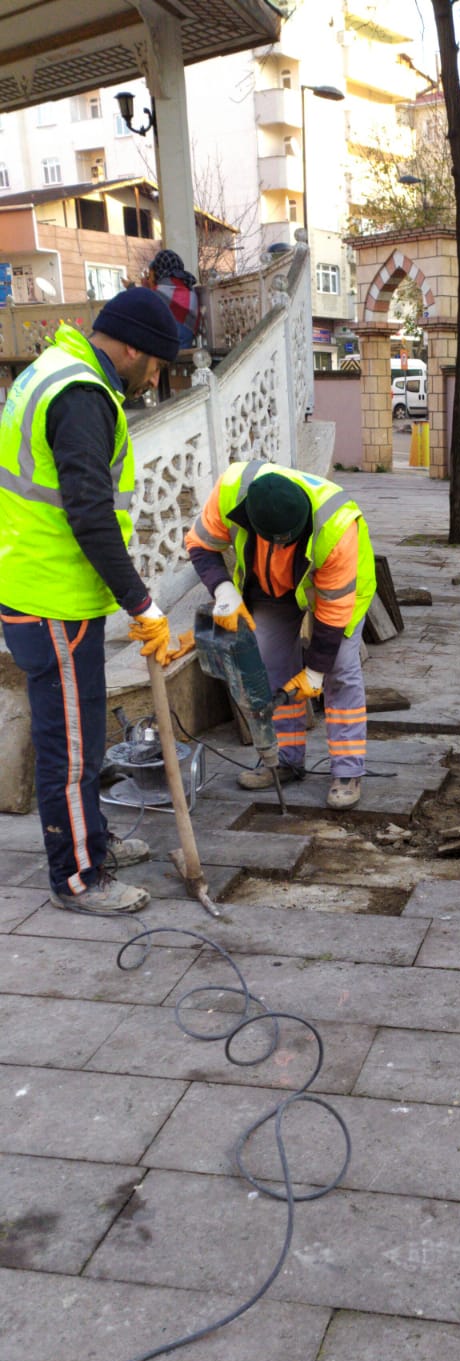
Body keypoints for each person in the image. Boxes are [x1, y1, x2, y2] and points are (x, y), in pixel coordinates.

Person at [0, 287, 188, 914]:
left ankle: (93, 839)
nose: (155, 376)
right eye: (156, 362)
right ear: (131, 347)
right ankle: (78, 876)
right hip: (51, 597)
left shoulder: (53, 373)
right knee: (71, 748)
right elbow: (88, 512)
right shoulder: (80, 396)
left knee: (80, 740)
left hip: (46, 590)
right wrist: (141, 603)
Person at [185, 461, 375, 808]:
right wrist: (224, 590)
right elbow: (200, 543)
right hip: (272, 587)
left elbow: (332, 614)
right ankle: (284, 760)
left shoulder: (337, 527)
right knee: (269, 664)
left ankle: (348, 771)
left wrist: (314, 671)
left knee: (340, 671)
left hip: (339, 590)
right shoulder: (231, 489)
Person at [143, 250, 200, 351]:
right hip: (185, 352)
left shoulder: (157, 294)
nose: (149, 279)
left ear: (158, 272)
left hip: (165, 355)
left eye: (150, 275)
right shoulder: (189, 289)